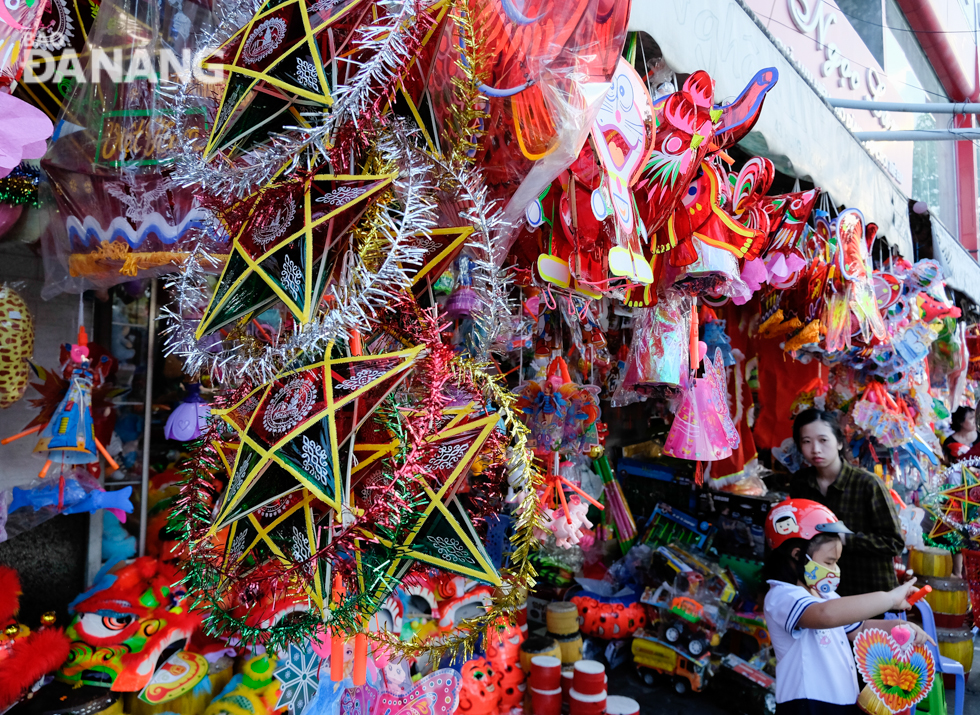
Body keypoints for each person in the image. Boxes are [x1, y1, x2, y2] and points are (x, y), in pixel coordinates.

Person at [763, 499, 931, 715]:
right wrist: (888, 598)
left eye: (837, 562)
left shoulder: (825, 594)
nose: (835, 569)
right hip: (806, 704)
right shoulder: (781, 596)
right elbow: (825, 615)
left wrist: (896, 627)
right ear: (797, 555)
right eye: (829, 562)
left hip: (842, 701)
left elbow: (859, 628)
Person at [789, 409, 904, 597]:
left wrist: (844, 539)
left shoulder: (868, 484)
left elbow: (894, 543)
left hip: (868, 590)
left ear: (840, 443)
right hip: (820, 591)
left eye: (823, 440)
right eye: (806, 442)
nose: (815, 449)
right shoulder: (800, 483)